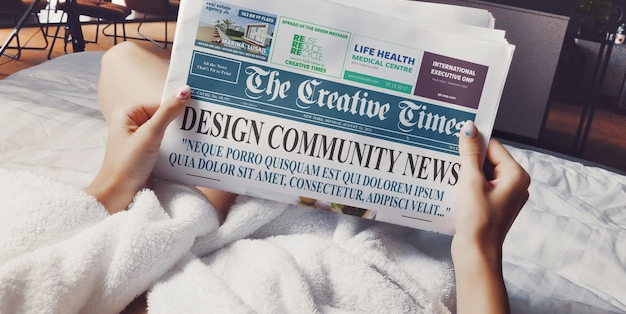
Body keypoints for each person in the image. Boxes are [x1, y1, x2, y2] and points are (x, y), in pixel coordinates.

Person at [1, 41, 530, 314]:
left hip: (194, 201)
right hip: (246, 213)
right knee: (132, 65)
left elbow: (33, 274)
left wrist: (112, 187)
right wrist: (479, 251)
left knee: (125, 59)